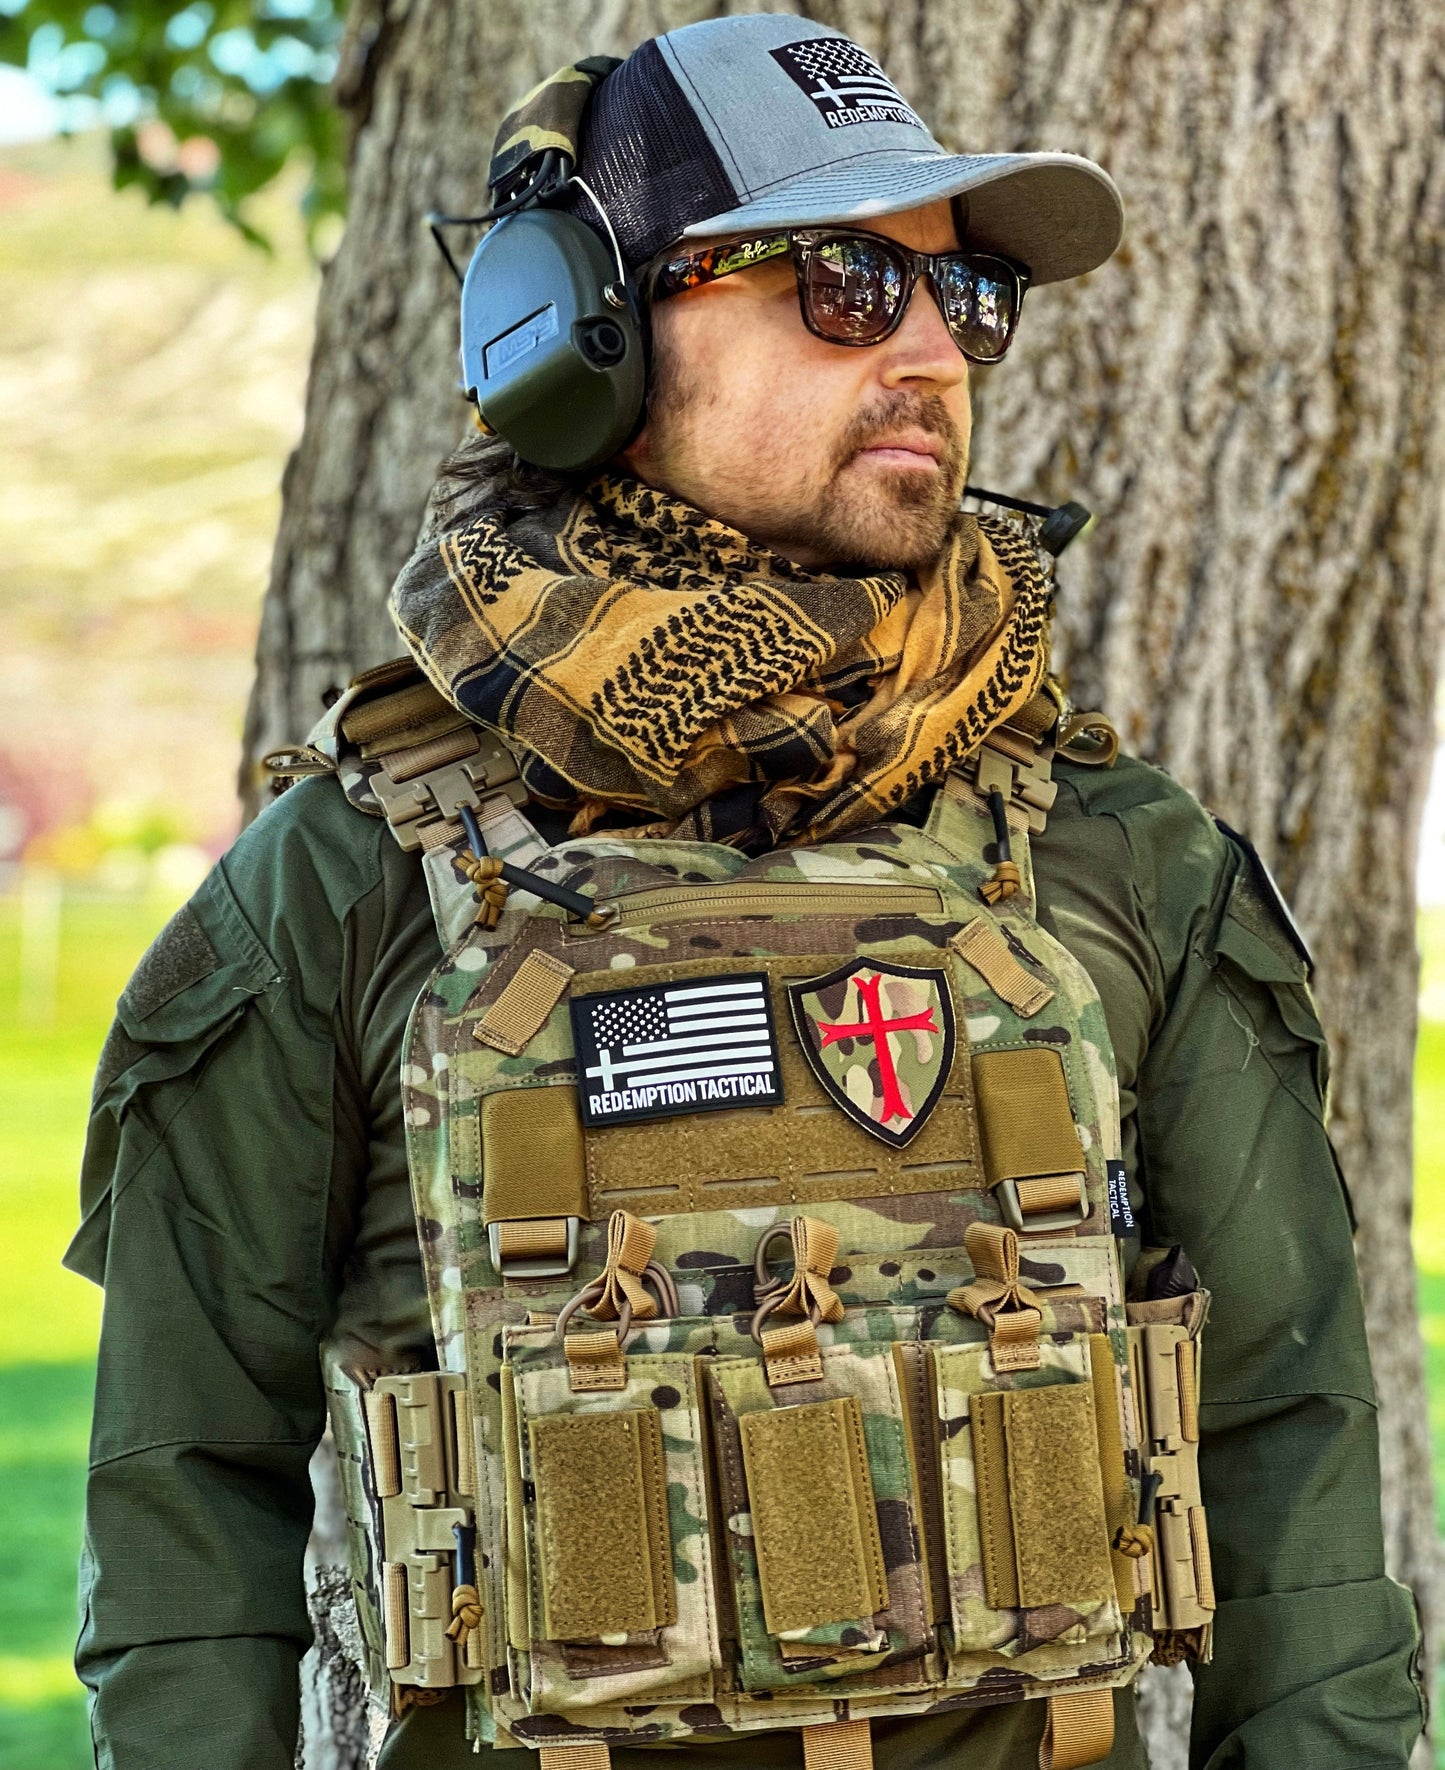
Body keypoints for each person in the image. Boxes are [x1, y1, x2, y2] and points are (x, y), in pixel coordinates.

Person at [70, 14, 1423, 1770]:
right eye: (850, 284)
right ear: (585, 331)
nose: (936, 347)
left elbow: (1285, 1459)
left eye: (966, 298)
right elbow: (187, 1508)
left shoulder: (1112, 857)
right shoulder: (345, 883)